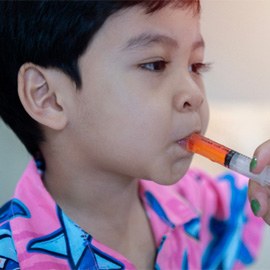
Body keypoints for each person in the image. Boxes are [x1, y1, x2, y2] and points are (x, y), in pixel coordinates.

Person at [0, 1, 268, 269]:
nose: (195, 95)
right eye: (155, 65)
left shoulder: (203, 202)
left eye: (196, 66)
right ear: (48, 97)